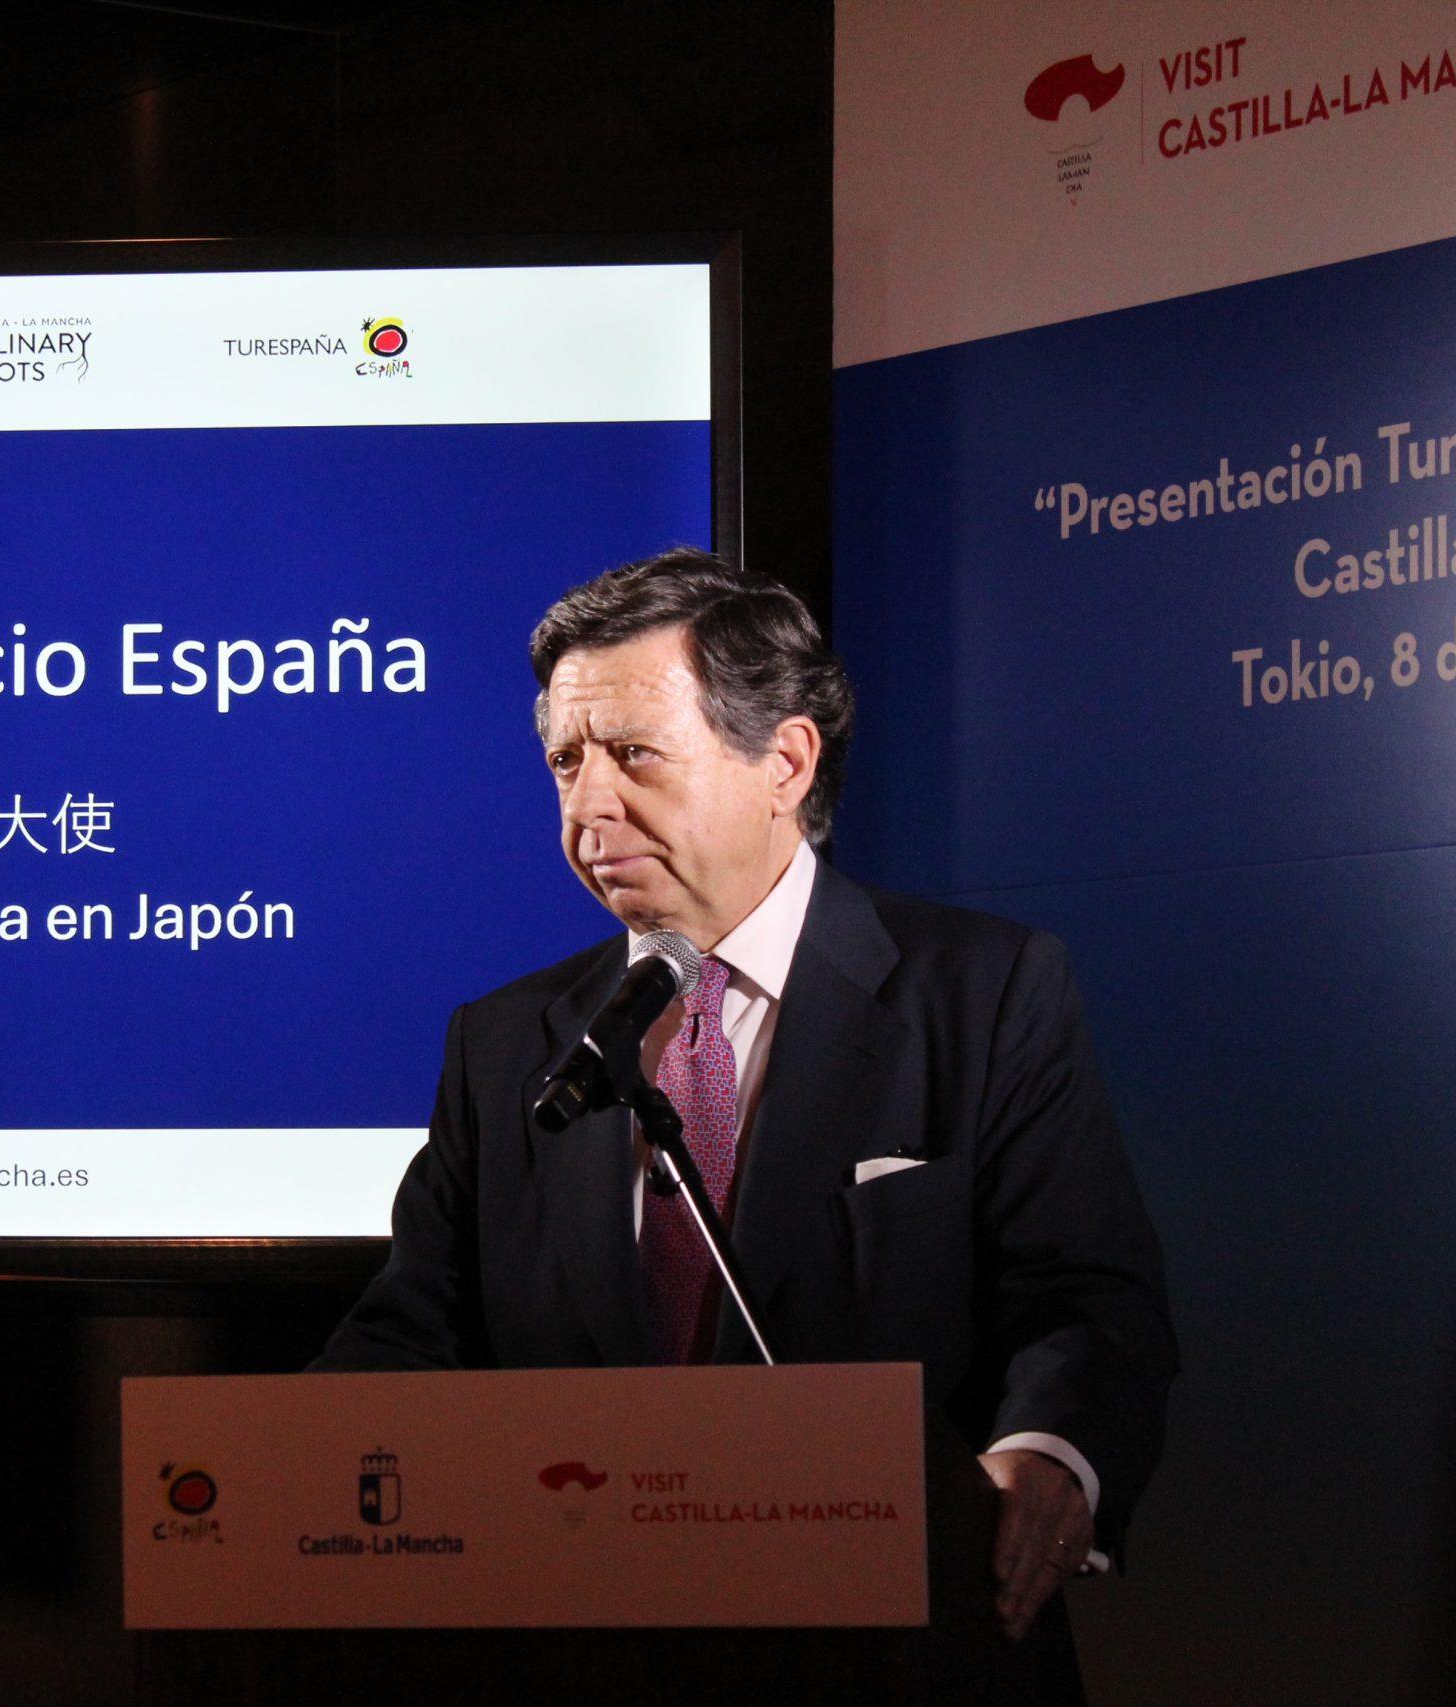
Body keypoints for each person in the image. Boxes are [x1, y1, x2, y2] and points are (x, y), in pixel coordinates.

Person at [311, 548, 1176, 1675]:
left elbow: (1086, 1299)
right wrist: (297, 1473)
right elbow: (411, 1330)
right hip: (585, 1650)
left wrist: (1046, 1457)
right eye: (566, 761)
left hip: (903, 1647)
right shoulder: (505, 1043)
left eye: (632, 754)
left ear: (785, 761)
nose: (589, 803)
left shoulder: (983, 991)